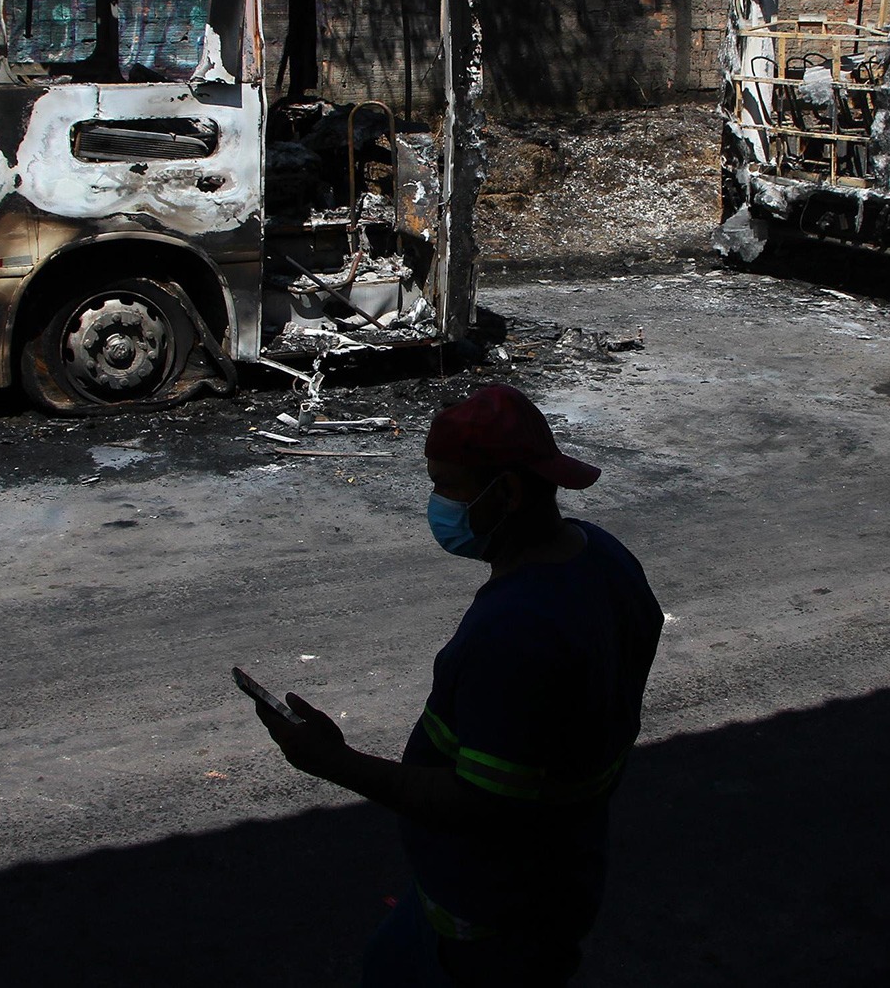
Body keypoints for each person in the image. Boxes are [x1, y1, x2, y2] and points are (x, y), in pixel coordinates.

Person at [251, 383, 663, 987]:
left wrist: (333, 762)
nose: (437, 502)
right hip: (558, 870)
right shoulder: (604, 556)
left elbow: (484, 805)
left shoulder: (519, 630)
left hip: (494, 917)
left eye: (448, 485)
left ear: (509, 492)